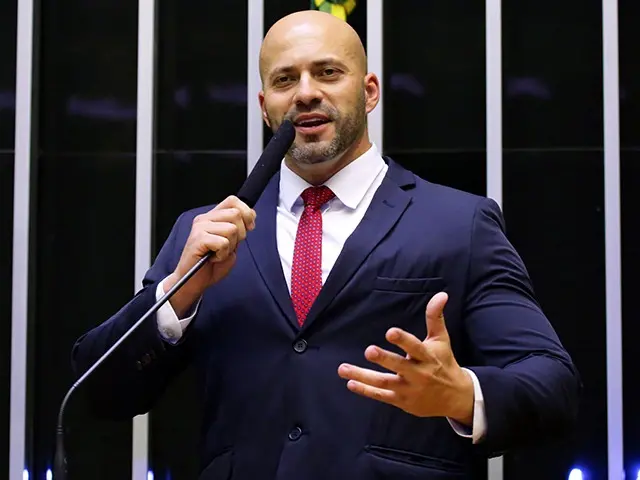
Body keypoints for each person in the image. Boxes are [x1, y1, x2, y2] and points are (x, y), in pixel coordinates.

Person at [72, 9, 581, 480]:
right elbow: (98, 393)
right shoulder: (205, 233)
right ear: (265, 107)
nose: (306, 93)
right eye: (284, 80)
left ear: (370, 91)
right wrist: (176, 297)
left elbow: (553, 384)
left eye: (328, 73)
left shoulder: (458, 223)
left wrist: (462, 394)